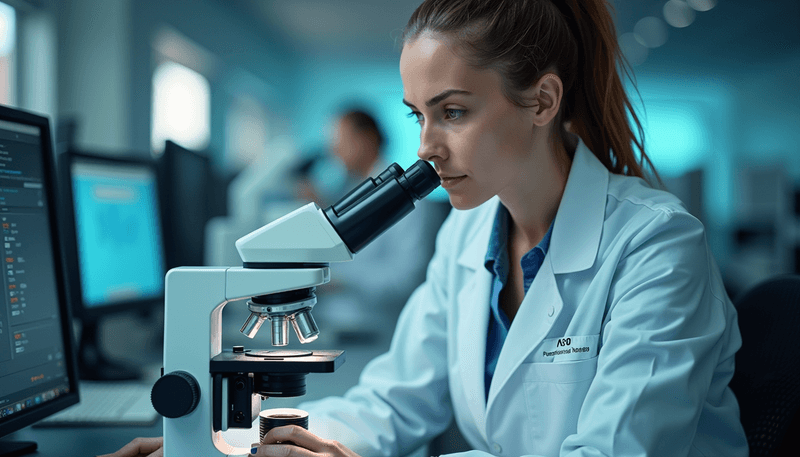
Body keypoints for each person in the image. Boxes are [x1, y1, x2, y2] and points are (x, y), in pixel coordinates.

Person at [102, 0, 748, 456]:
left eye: (454, 112)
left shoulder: (658, 247)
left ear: (543, 102)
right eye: (418, 115)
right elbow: (396, 397)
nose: (427, 148)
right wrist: (234, 446)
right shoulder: (468, 235)